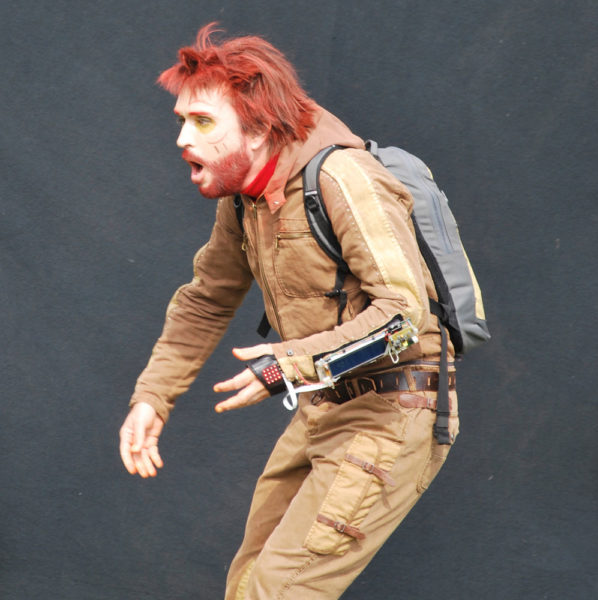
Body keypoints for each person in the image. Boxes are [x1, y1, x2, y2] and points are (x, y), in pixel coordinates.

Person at [119, 23, 459, 600]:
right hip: (324, 408)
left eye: (203, 122)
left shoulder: (343, 179)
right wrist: (153, 396)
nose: (182, 138)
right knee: (247, 585)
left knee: (274, 593)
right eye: (181, 120)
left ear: (257, 130)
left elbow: (404, 319)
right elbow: (206, 299)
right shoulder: (247, 198)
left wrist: (284, 367)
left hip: (391, 411)